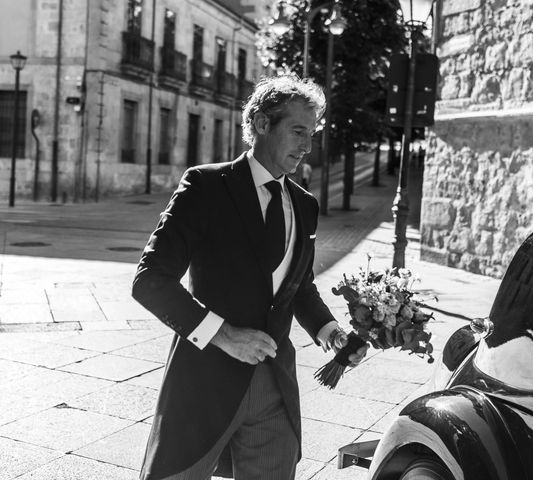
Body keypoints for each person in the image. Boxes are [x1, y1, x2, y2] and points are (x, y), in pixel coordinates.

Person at [132, 74, 367, 480]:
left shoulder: (305, 205)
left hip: (274, 384)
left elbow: (298, 285)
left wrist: (331, 333)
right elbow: (150, 279)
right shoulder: (206, 185)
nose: (306, 146)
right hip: (205, 377)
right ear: (260, 123)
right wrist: (223, 334)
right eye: (297, 131)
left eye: (311, 134)